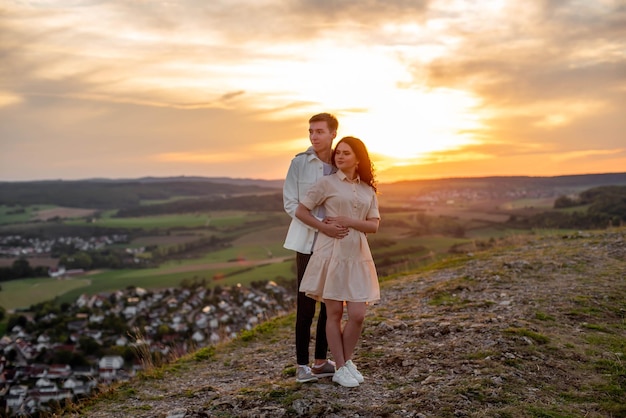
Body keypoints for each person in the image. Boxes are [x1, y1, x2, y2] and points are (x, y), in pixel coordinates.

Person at [295, 136, 380, 388]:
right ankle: (341, 366)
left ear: (358, 158)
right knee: (333, 312)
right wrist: (325, 227)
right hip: (330, 252)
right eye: (338, 153)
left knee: (357, 314)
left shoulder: (367, 189)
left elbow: (374, 225)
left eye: (346, 153)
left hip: (357, 254)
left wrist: (348, 221)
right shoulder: (326, 183)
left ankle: (346, 362)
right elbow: (301, 211)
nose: (340, 157)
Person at [283, 112, 349, 383]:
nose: (313, 136)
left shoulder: (341, 163)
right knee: (306, 305)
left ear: (333, 133)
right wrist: (322, 226)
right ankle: (301, 366)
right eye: (311, 131)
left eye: (319, 131)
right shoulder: (300, 163)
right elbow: (291, 205)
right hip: (308, 242)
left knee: (331, 303)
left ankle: (321, 361)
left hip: (335, 243)